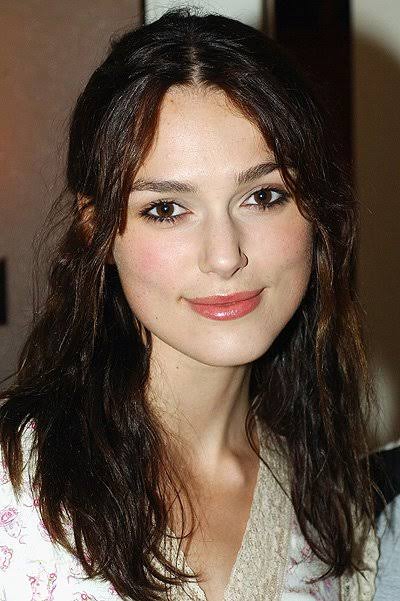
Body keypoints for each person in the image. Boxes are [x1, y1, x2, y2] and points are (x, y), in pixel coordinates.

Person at [0, 8, 378, 600]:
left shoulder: (336, 516)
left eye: (264, 196)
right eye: (167, 209)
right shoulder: (15, 482)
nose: (224, 256)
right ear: (98, 230)